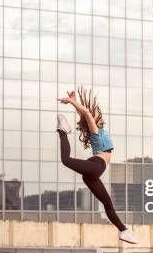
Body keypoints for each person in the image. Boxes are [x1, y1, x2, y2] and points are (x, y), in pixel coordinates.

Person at [57, 86, 138, 244]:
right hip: (95, 166)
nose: (96, 115)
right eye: (94, 115)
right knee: (66, 160)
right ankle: (62, 131)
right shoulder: (96, 132)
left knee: (108, 204)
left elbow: (85, 114)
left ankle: (124, 231)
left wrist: (75, 102)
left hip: (93, 172)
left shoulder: (97, 129)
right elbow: (86, 113)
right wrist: (73, 103)